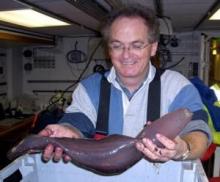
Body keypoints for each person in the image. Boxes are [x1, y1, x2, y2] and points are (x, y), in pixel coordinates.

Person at [39, 4, 211, 175]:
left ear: (153, 48)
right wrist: (68, 129)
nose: (126, 54)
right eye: (117, 45)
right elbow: (78, 120)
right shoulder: (89, 87)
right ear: (109, 50)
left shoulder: (177, 86)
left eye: (136, 45)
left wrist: (182, 148)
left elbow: (199, 132)